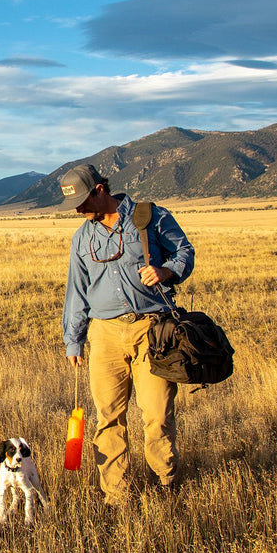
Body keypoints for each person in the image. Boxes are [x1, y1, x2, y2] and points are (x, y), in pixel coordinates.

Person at [59, 164, 195, 507]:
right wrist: (73, 340)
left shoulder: (150, 218)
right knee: (108, 416)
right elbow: (77, 291)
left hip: (153, 329)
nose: (78, 211)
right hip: (103, 334)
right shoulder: (82, 237)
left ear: (101, 189)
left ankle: (166, 483)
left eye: (83, 201)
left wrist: (166, 271)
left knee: (157, 413)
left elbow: (185, 253)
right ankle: (116, 496)